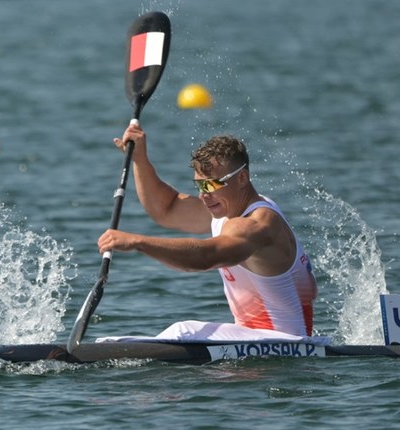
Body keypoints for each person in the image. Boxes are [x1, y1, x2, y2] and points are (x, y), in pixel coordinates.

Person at [97, 122, 317, 336]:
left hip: (284, 343)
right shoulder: (225, 209)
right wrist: (140, 160)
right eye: (199, 186)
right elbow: (166, 209)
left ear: (242, 177)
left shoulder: (257, 225)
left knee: (182, 331)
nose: (203, 194)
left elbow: (206, 256)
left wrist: (138, 242)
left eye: (211, 184)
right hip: (253, 342)